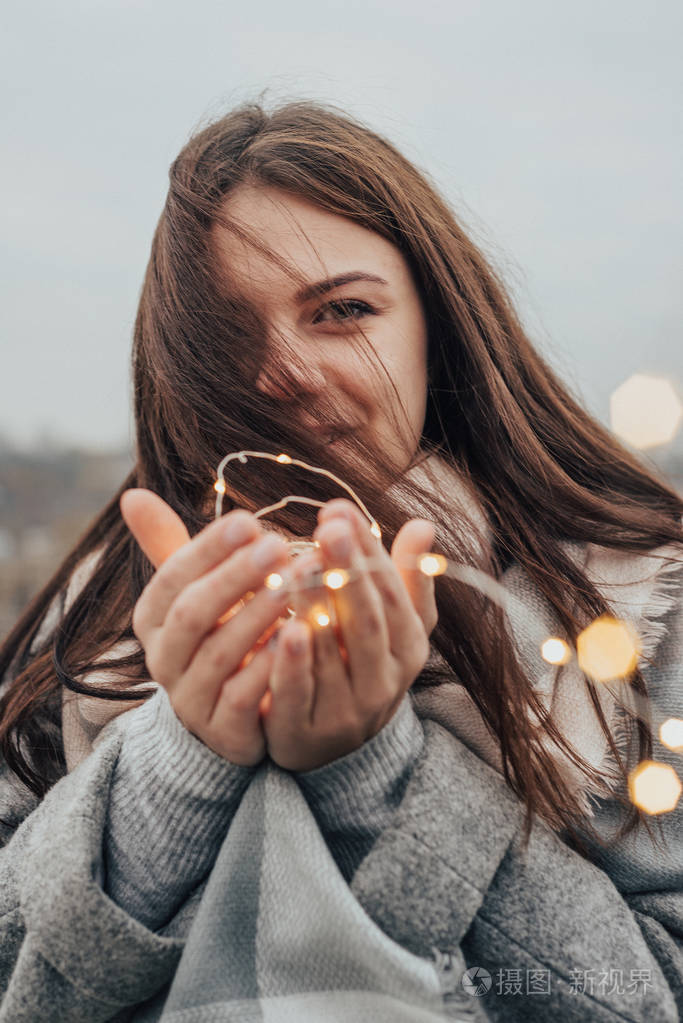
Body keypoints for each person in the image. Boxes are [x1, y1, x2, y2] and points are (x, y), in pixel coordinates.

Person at [0, 95, 681, 1022]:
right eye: (230, 338)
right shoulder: (84, 638)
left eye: (341, 311)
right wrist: (180, 762)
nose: (284, 373)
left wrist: (377, 771)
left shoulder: (635, 605)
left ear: (437, 319)